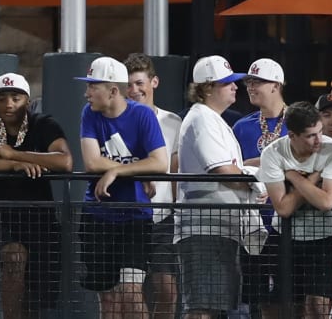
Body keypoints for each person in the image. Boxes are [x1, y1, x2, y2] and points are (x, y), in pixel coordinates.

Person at [0, 71, 71, 319]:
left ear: (28, 101)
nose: (8, 104)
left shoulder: (43, 123)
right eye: (2, 98)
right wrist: (12, 167)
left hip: (39, 215)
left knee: (37, 291)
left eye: (15, 97)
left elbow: (64, 161)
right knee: (14, 257)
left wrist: (13, 155)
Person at [80, 56, 170, 319]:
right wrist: (134, 170)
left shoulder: (141, 114)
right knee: (107, 300)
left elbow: (160, 162)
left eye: (92, 87)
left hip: (135, 218)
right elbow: (91, 161)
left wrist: (117, 171)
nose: (87, 94)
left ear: (113, 91)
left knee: (131, 292)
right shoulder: (89, 114)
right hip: (97, 218)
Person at [175, 56, 260, 319]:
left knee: (214, 307)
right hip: (204, 227)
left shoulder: (214, 119)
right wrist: (257, 182)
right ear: (207, 87)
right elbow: (224, 171)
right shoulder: (202, 120)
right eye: (227, 83)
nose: (235, 87)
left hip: (219, 226)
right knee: (202, 307)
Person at [257, 102, 332, 319]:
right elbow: (283, 208)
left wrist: (294, 177)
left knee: (318, 306)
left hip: (326, 237)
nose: (319, 140)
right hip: (286, 237)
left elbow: (326, 202)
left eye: (320, 132)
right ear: (293, 136)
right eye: (310, 136)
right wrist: (314, 178)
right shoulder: (273, 153)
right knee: (286, 306)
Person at [126, 53, 184, 318]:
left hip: (164, 219)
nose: (135, 90)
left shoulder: (174, 122)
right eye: (129, 84)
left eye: (139, 83)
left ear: (154, 82)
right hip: (128, 218)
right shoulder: (116, 121)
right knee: (129, 292)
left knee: (166, 290)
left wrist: (177, 214)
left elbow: (175, 171)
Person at [231, 56, 290, 316]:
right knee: (255, 296)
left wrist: (261, 162)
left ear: (276, 85)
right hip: (253, 222)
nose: (251, 87)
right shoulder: (242, 126)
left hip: (289, 222)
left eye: (258, 82)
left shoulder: (297, 121)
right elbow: (232, 167)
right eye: (249, 82)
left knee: (289, 294)